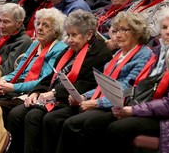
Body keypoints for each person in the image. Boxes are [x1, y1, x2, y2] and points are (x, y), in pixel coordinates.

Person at [7, 9, 113, 153]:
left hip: (72, 99)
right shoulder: (69, 50)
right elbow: (52, 75)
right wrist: (36, 92)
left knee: (37, 117)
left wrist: (54, 93)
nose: (70, 40)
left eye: (74, 35)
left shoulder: (100, 53)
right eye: (68, 35)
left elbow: (85, 84)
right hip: (55, 96)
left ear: (88, 34)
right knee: (16, 113)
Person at [53, 11, 153, 153]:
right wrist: (85, 97)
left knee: (77, 123)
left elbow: (125, 88)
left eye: (124, 30)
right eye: (115, 30)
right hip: (106, 100)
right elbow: (104, 86)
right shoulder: (118, 54)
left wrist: (95, 103)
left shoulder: (143, 54)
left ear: (137, 32)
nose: (118, 35)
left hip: (122, 103)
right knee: (67, 121)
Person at [106, 6, 169, 153]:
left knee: (116, 128)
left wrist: (134, 110)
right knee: (103, 119)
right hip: (147, 109)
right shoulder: (156, 54)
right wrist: (124, 105)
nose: (168, 32)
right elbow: (138, 85)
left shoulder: (164, 56)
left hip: (167, 119)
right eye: (164, 27)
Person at [0, 8, 68, 124]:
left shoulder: (59, 49)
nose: (39, 28)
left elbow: (43, 80)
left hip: (35, 91)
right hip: (18, 85)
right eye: (38, 23)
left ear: (56, 31)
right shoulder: (35, 45)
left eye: (45, 25)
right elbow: (17, 72)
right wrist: (1, 80)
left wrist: (12, 87)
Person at [0, 3, 33, 75]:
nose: (1, 26)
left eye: (6, 22)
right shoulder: (7, 35)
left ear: (19, 23)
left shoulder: (23, 42)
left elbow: (5, 71)